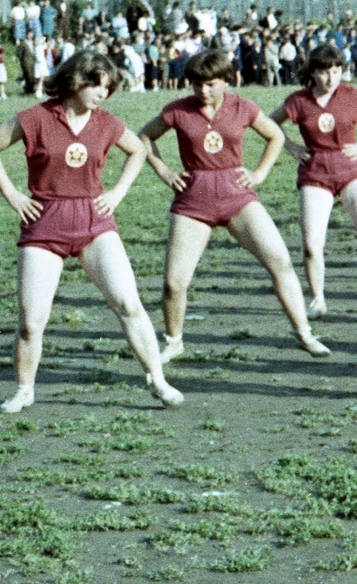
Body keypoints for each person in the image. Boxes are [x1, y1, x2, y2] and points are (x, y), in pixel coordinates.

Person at [0, 50, 183, 414]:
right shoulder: (36, 117)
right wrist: (12, 194)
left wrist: (117, 193)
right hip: (44, 224)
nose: (103, 93)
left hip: (94, 222)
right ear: (75, 81)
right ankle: (25, 390)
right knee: (30, 322)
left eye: (107, 87)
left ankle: (158, 380)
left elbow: (137, 151)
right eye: (96, 85)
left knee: (129, 304)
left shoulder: (106, 122)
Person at [136, 49, 330, 362]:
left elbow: (275, 136)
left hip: (238, 197)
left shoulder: (243, 107)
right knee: (174, 282)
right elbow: (144, 136)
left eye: (210, 83)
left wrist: (260, 172)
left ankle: (305, 334)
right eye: (196, 83)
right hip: (193, 201)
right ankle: (174, 341)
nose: (202, 90)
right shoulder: (178, 110)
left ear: (227, 80)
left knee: (280, 261)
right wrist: (164, 171)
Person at [270, 44, 357, 316]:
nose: (331, 78)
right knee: (312, 244)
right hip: (315, 172)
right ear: (313, 72)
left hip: (352, 169)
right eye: (324, 72)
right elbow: (268, 123)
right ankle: (318, 299)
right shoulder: (298, 101)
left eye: (336, 71)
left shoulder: (352, 95)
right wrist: (290, 146)